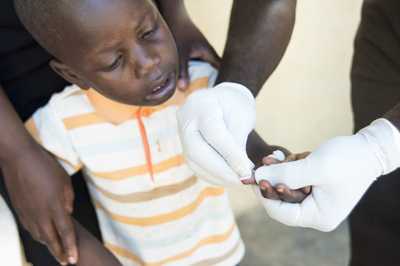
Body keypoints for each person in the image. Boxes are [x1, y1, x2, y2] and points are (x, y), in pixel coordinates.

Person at [2, 0, 298, 264]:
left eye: (148, 32)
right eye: (114, 61)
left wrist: (279, 168)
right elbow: (49, 210)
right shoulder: (64, 120)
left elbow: (245, 144)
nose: (148, 63)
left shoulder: (196, 85)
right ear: (74, 76)